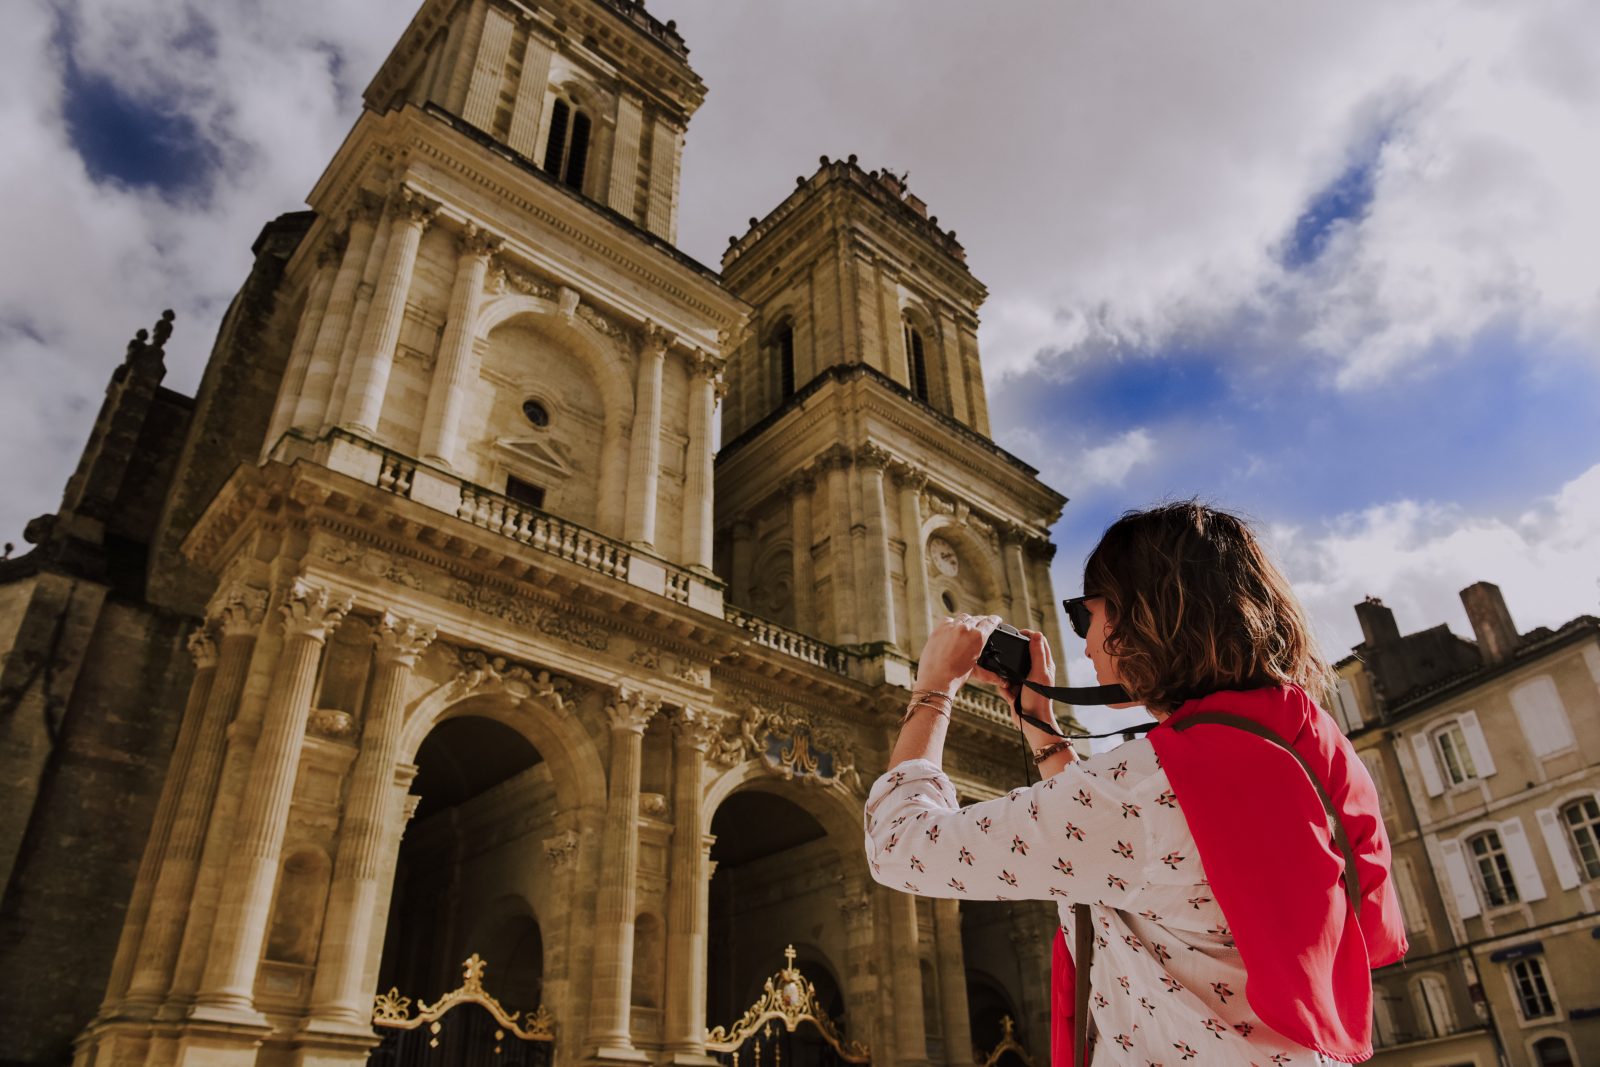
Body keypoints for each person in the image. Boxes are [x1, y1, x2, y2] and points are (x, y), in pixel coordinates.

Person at [863, 502, 1406, 1065]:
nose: (1083, 643)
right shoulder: (1297, 747)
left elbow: (898, 845)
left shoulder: (1142, 791)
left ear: (1138, 616)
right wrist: (1044, 729)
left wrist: (933, 689)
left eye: (1084, 616)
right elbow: (1122, 850)